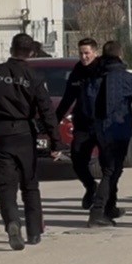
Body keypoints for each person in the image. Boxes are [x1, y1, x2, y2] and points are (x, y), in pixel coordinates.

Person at [0, 33, 61, 250]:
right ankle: (34, 232)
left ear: (11, 49)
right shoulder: (34, 77)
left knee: (6, 186)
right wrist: (55, 142)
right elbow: (47, 110)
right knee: (30, 186)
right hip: (25, 135)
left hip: (1, 135)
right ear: (31, 53)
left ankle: (12, 221)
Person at [89, 41, 132, 227]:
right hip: (118, 130)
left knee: (111, 169)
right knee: (111, 171)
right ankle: (97, 211)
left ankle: (110, 207)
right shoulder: (126, 78)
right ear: (120, 55)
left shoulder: (96, 76)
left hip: (100, 129)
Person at [56, 38, 100, 209]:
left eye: (87, 53)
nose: (83, 57)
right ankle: (90, 186)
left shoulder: (103, 69)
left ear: (95, 52)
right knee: (77, 158)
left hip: (103, 124)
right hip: (83, 124)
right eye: (81, 53)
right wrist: (55, 118)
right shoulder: (77, 70)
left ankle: (106, 202)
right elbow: (68, 97)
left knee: (108, 164)